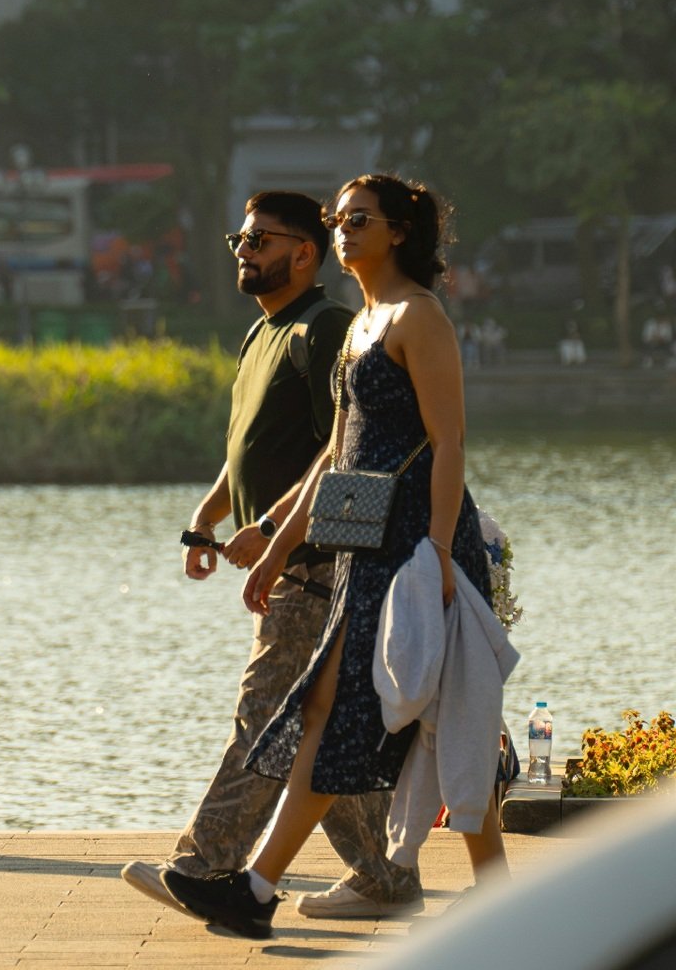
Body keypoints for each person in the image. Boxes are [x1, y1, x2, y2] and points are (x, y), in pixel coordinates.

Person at [163, 175, 504, 940]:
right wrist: (277, 548)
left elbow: (449, 442)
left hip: (417, 548)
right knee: (333, 711)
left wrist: (444, 551)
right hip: (362, 548)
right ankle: (260, 888)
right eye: (338, 219)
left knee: (435, 718)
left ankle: (257, 887)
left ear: (399, 233)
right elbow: (333, 458)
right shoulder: (361, 326)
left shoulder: (420, 318)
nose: (344, 232)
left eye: (360, 220)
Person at [122, 192, 420, 920]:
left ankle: (205, 864)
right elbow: (245, 452)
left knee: (267, 717)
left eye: (260, 240)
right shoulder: (264, 335)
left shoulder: (323, 330)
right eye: (240, 239)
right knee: (310, 726)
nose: (244, 251)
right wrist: (207, 519)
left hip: (323, 564)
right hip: (286, 563)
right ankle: (384, 879)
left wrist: (283, 527)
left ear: (303, 253)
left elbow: (345, 452)